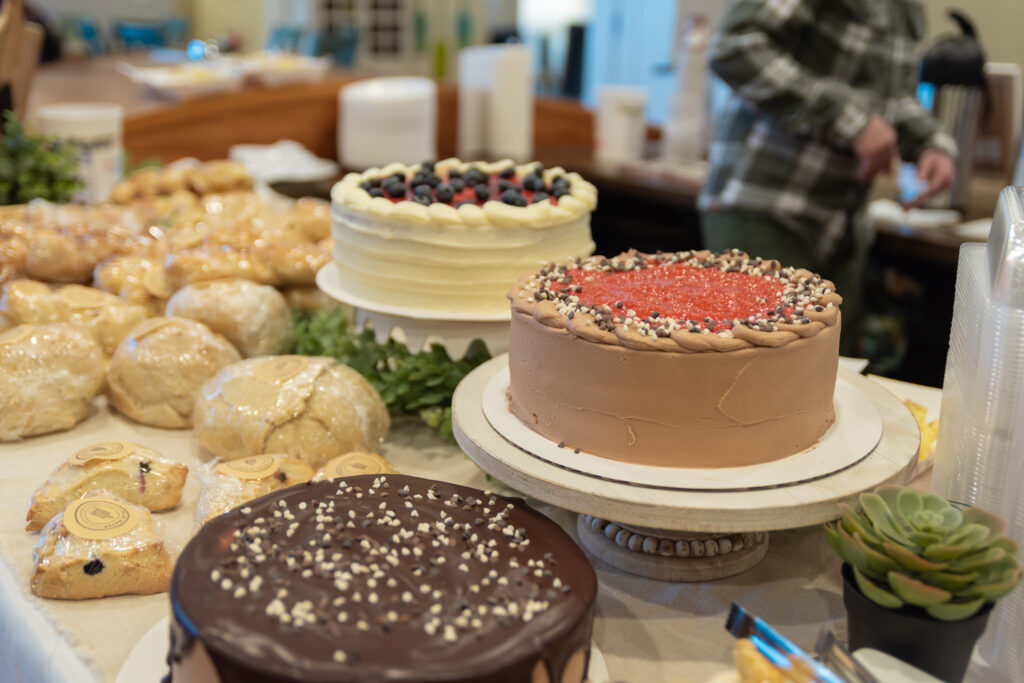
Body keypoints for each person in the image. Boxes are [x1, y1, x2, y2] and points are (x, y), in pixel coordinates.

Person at [698, 0, 955, 354]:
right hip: (765, 206)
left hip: (842, 227)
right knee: (763, 377)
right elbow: (737, 46)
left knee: (832, 381)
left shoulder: (907, 8)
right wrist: (852, 121)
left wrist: (929, 142)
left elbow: (892, 98)